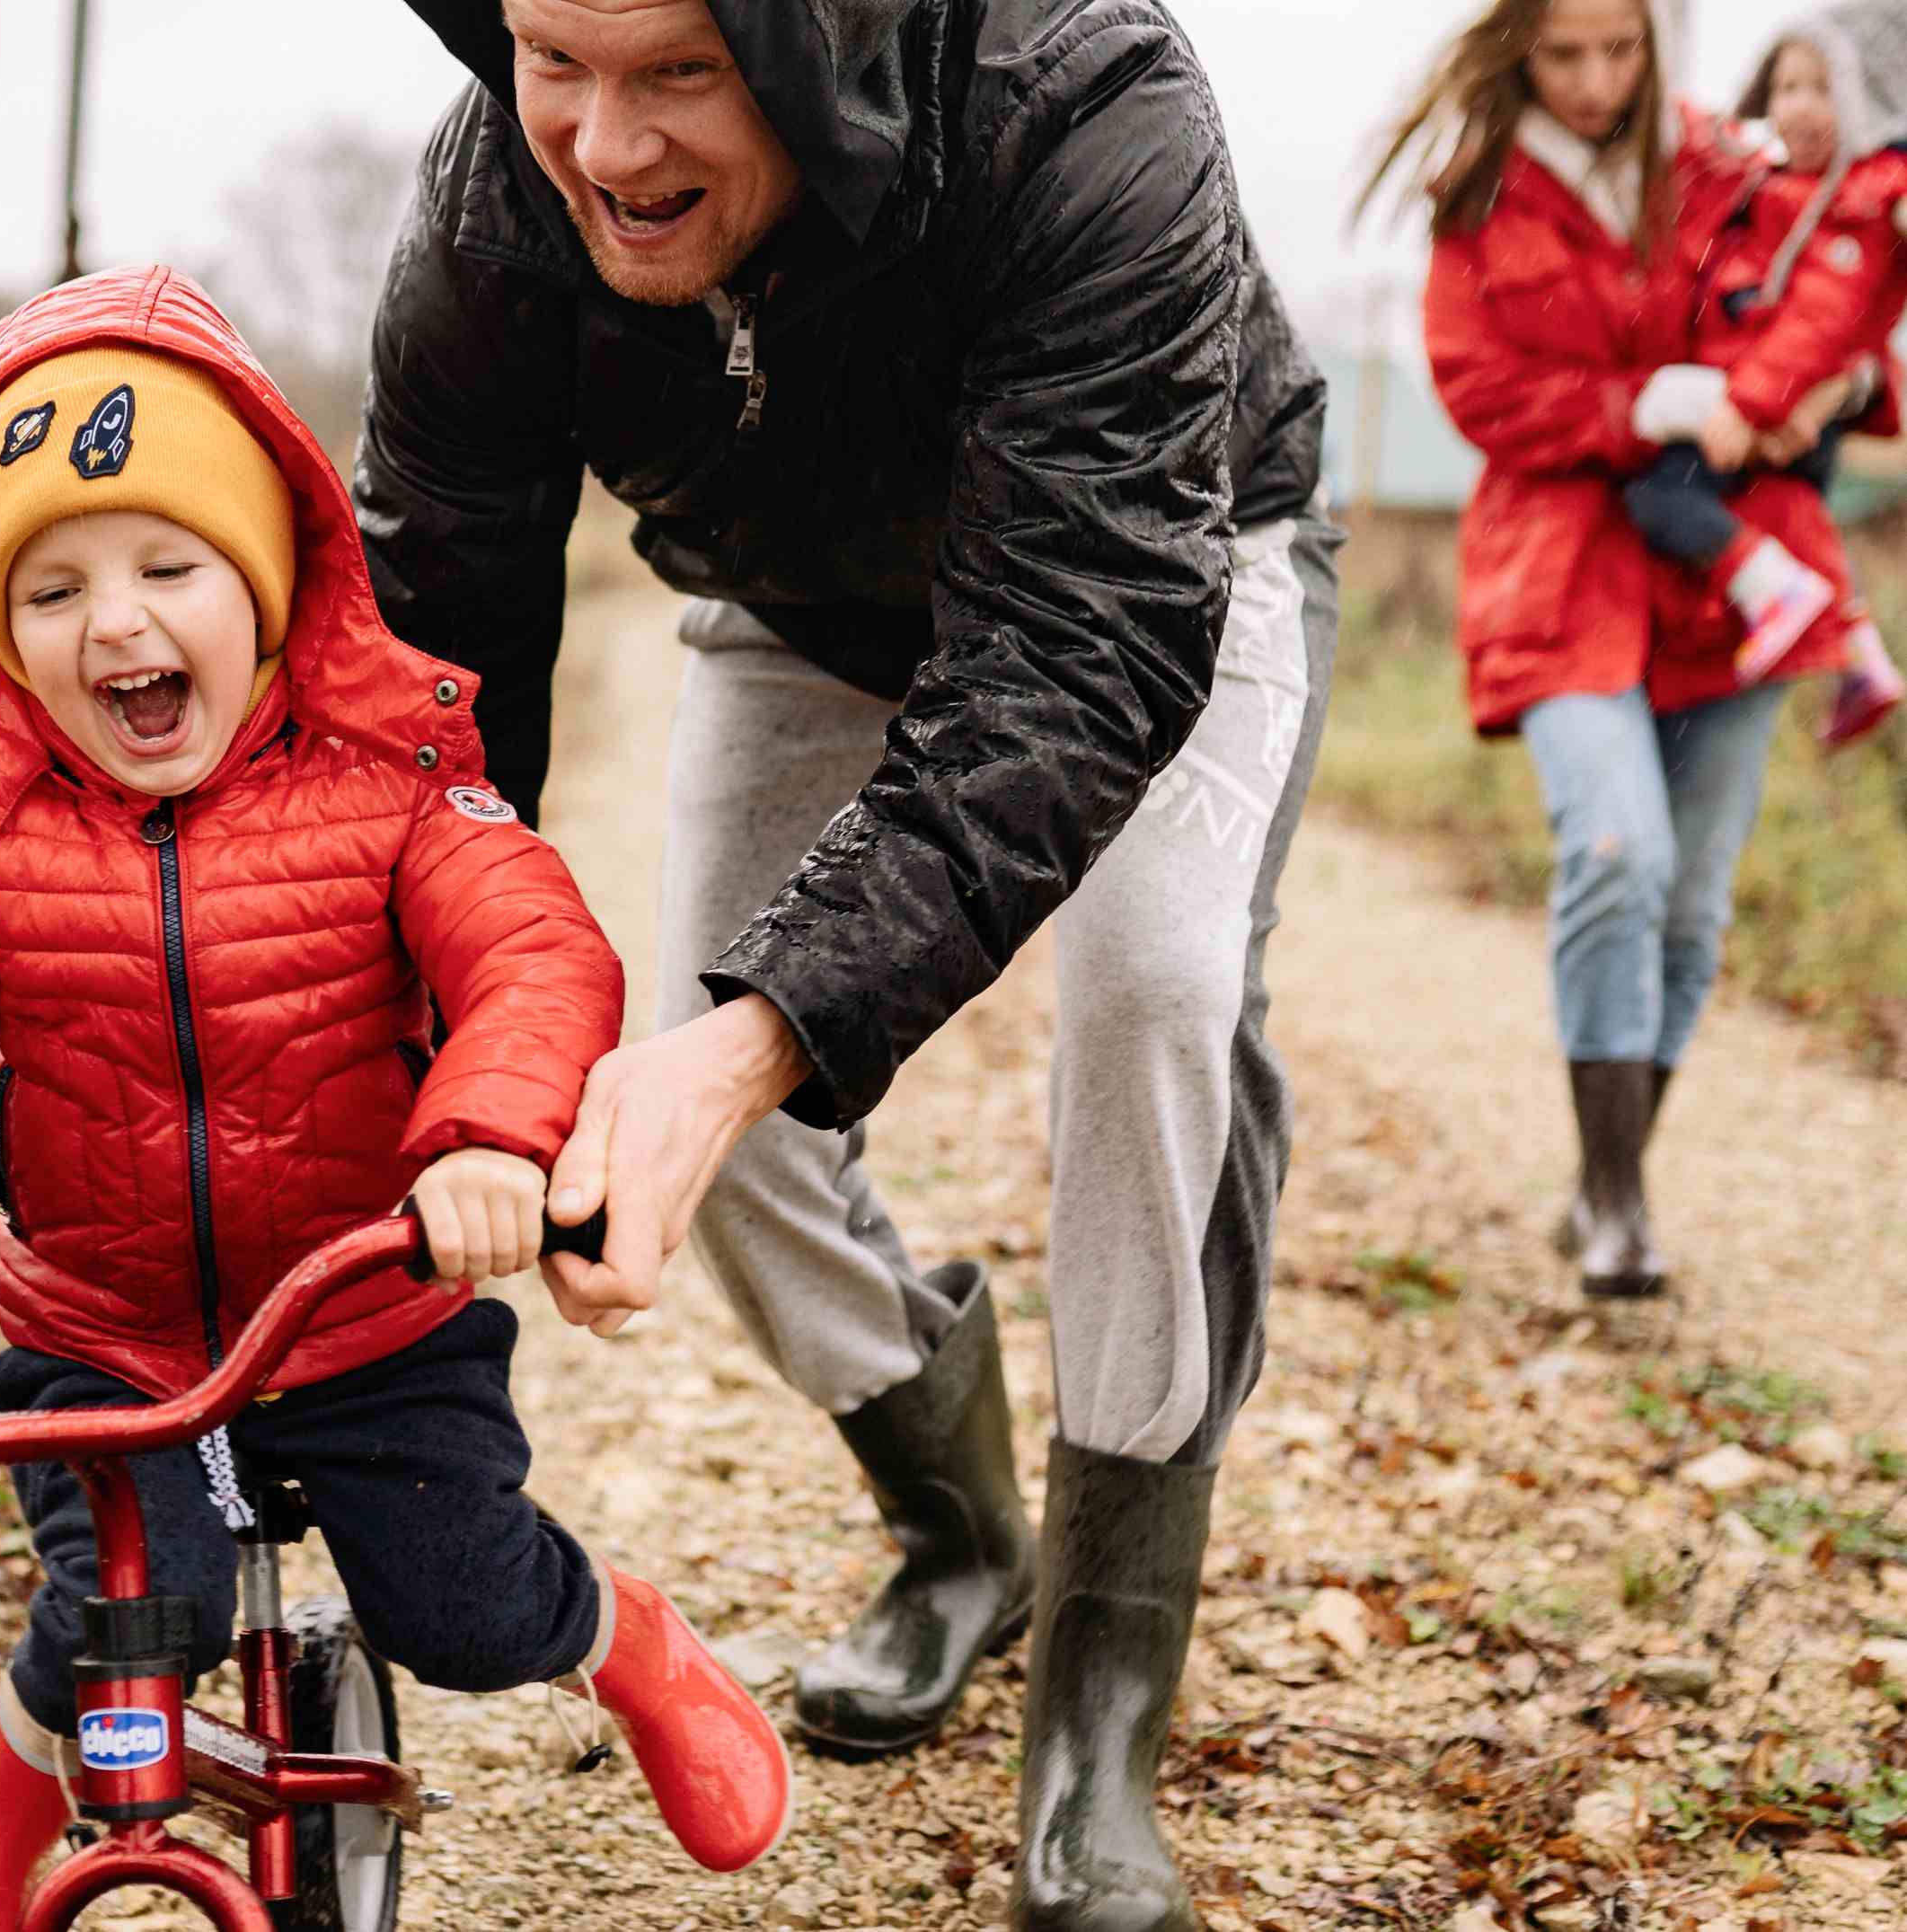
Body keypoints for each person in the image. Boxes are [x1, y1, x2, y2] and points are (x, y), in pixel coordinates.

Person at [0, 264, 793, 1926]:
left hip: (366, 1304)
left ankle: (630, 1643)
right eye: (50, 591)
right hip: (102, 1325)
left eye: (171, 567)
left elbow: (534, 952)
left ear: (268, 584)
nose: (116, 626)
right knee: (121, 1604)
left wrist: (485, 1141)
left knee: (456, 1600)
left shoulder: (388, 785)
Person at [357, 3, 1336, 1926]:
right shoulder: (494, 201)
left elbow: (1074, 648)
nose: (603, 145)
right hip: (794, 604)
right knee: (692, 1082)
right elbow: (430, 688)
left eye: (673, 73)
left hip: (1162, 571)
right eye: (554, 55)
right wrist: (428, 1042)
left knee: (1152, 997)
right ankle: (962, 1533)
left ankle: (1104, 1687)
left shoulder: (1086, 100)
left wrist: (760, 1032)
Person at [1373, 0, 1849, 1303]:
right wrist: (1631, 403)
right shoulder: (1479, 193)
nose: (1592, 81)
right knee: (1614, 849)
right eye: (1562, 54)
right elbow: (1475, 385)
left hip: (1732, 575)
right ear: (1517, 48)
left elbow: (1833, 298)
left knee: (1691, 899)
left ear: (1654, 41)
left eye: (1617, 50)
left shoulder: (1726, 165)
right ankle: (1620, 1204)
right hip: (1558, 568)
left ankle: (1602, 1178)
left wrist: (1834, 372)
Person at [1624, 7, 1907, 746]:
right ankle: (1859, 656)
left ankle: (1771, 591)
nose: (1799, 106)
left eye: (1823, 87)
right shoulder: (1772, 188)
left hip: (1762, 403)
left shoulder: (1857, 202)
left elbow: (1818, 322)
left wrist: (1749, 407)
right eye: (1785, 86)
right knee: (1794, 517)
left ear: (1866, 101)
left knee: (1659, 498)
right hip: (1769, 399)